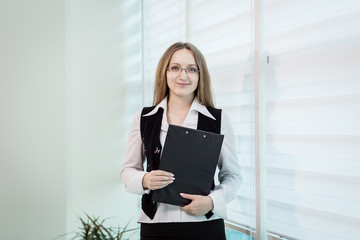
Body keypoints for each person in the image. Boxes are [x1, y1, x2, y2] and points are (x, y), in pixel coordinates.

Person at [121, 42, 242, 240]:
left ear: (200, 75)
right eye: (175, 68)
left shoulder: (218, 119)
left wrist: (212, 201)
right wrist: (145, 180)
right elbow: (127, 171)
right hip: (157, 227)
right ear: (164, 72)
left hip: (205, 226)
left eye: (191, 69)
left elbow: (233, 175)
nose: (183, 76)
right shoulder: (144, 118)